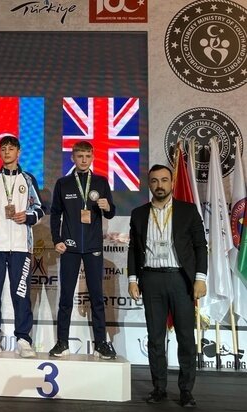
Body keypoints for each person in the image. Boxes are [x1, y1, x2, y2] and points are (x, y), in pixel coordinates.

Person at [128, 164, 207, 407]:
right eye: (154, 181)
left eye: (164, 180)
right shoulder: (139, 213)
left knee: (186, 338)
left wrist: (200, 278)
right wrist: (132, 280)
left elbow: (200, 246)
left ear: (172, 183)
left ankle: (186, 391)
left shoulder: (188, 210)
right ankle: (159, 388)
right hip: (151, 280)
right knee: (155, 338)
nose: (159, 185)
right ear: (149, 184)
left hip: (180, 279)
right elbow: (133, 249)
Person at [0, 134, 45, 358]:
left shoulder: (28, 180)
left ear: (18, 152)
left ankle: (23, 339)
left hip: (21, 246)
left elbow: (39, 209)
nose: (7, 152)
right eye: (3, 149)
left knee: (21, 294)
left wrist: (28, 216)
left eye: (11, 149)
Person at [49, 140, 117, 359]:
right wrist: (57, 239)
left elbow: (110, 212)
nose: (84, 160)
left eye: (87, 156)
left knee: (97, 296)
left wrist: (108, 207)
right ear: (73, 158)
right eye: (80, 156)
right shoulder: (63, 183)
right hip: (69, 247)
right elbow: (55, 214)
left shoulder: (101, 182)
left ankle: (101, 343)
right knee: (66, 297)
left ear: (93, 157)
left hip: (93, 246)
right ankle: (62, 342)